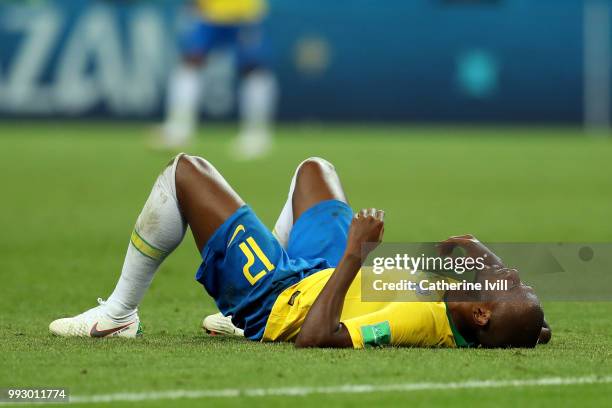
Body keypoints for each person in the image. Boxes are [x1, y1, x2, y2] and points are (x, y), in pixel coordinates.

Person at [49, 154, 551, 348]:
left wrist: (355, 253)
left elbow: (317, 337)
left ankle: (119, 314)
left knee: (184, 173)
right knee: (316, 169)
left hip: (284, 301)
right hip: (323, 273)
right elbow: (467, 251)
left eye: (507, 281)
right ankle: (239, 307)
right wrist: (519, 307)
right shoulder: (474, 308)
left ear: (482, 313)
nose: (506, 271)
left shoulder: (418, 320)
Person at [160, 0, 277, 159]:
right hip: (209, 11)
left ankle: (257, 134)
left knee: (253, 68)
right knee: (190, 61)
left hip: (245, 12)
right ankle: (180, 129)